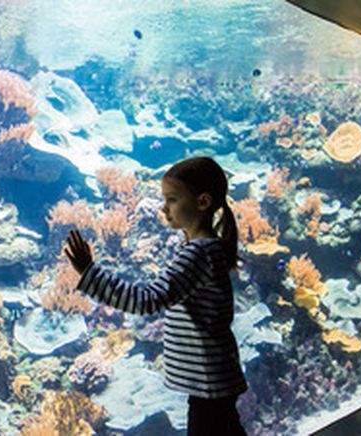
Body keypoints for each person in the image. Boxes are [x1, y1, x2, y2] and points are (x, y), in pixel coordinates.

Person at [64, 156, 248, 436]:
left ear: (203, 202)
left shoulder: (197, 254)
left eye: (172, 199)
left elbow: (146, 300)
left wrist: (90, 273)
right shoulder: (206, 248)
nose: (164, 207)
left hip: (209, 381)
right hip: (212, 379)